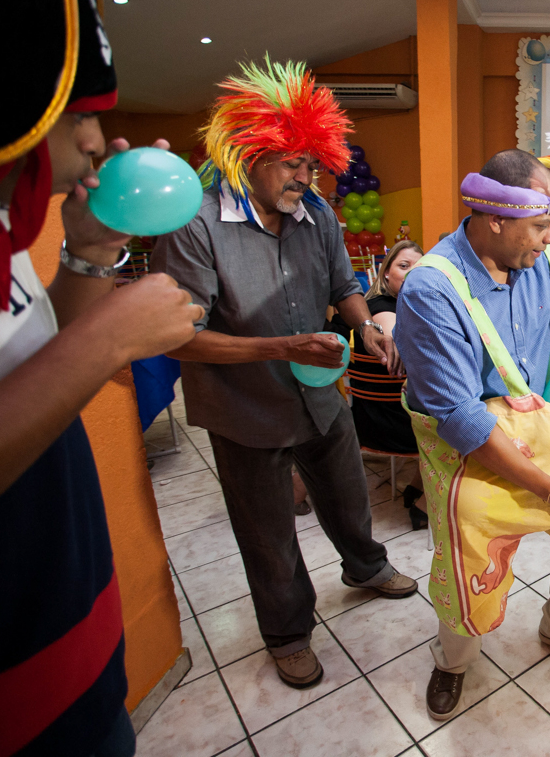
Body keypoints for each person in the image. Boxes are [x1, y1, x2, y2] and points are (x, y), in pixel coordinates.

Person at [0, 0, 202, 755]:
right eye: (74, 112)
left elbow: (35, 374)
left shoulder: (1, 234)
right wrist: (110, 337)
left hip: (69, 632)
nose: (93, 139)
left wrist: (88, 253)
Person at [152, 57, 418, 691]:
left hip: (322, 396)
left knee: (348, 494)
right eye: (291, 163)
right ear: (247, 154)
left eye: (312, 164)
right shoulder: (194, 225)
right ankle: (287, 632)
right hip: (243, 409)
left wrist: (369, 328)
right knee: (268, 531)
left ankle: (365, 567)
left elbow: (344, 286)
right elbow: (179, 337)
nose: (306, 177)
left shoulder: (317, 215)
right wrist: (283, 347)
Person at [395, 148, 550, 720]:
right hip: (470, 450)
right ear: (496, 219)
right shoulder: (432, 289)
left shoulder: (541, 256)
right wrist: (547, 488)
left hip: (537, 425)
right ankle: (455, 660)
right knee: (468, 539)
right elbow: (461, 417)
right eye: (542, 225)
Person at [349, 239, 427, 530]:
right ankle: (423, 504)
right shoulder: (381, 308)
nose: (411, 273)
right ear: (385, 273)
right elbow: (395, 339)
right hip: (389, 422)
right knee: (462, 426)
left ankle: (416, 488)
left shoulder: (406, 307)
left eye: (419, 268)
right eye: (404, 266)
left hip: (370, 416)